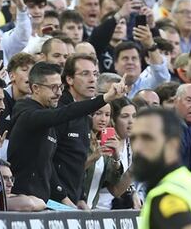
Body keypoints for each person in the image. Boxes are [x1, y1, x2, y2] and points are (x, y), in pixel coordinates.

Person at [7, 61, 124, 207]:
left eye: (60, 87)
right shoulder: (27, 113)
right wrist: (105, 98)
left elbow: (48, 165)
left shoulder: (48, 116)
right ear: (35, 88)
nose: (59, 93)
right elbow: (65, 113)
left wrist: (67, 199)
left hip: (45, 201)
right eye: (53, 87)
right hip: (23, 202)